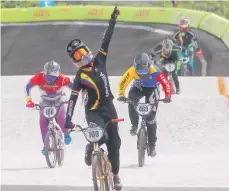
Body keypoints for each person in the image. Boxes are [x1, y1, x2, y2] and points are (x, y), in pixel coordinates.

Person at [64, 7, 122, 190]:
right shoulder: (79, 78)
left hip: (109, 107)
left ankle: (116, 175)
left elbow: (107, 40)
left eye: (81, 53)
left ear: (87, 51)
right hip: (93, 112)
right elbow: (72, 99)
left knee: (114, 144)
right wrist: (67, 119)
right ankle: (92, 147)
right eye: (76, 57)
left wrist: (112, 20)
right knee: (98, 135)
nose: (80, 58)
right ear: (74, 61)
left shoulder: (100, 61)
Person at [117, 53, 172, 157]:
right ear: (135, 68)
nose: (142, 74)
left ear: (149, 66)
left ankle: (152, 147)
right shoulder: (132, 70)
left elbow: (166, 84)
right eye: (139, 71)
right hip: (139, 87)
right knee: (131, 100)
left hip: (152, 89)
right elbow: (122, 82)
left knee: (151, 119)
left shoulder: (156, 71)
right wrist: (121, 95)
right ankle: (134, 125)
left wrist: (168, 95)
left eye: (144, 71)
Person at [25, 61, 73, 154]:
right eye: (47, 77)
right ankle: (45, 145)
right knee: (43, 121)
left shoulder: (63, 78)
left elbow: (75, 87)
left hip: (59, 99)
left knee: (61, 117)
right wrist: (29, 100)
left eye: (53, 77)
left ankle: (66, 134)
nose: (50, 80)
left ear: (58, 75)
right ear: (44, 73)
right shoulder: (38, 77)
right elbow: (27, 87)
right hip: (45, 100)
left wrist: (71, 99)